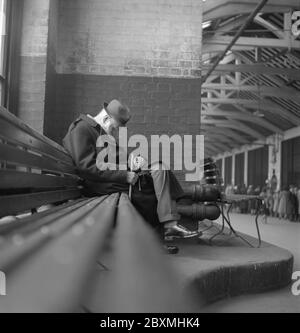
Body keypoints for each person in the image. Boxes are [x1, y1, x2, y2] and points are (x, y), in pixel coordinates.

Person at [62, 99, 199, 253]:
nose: (114, 131)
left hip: (110, 178)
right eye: (115, 128)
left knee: (160, 168)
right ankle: (157, 238)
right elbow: (86, 167)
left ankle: (169, 224)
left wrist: (132, 160)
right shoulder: (81, 129)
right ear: (107, 119)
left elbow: (112, 160)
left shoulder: (98, 131)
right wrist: (124, 174)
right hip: (98, 183)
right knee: (150, 188)